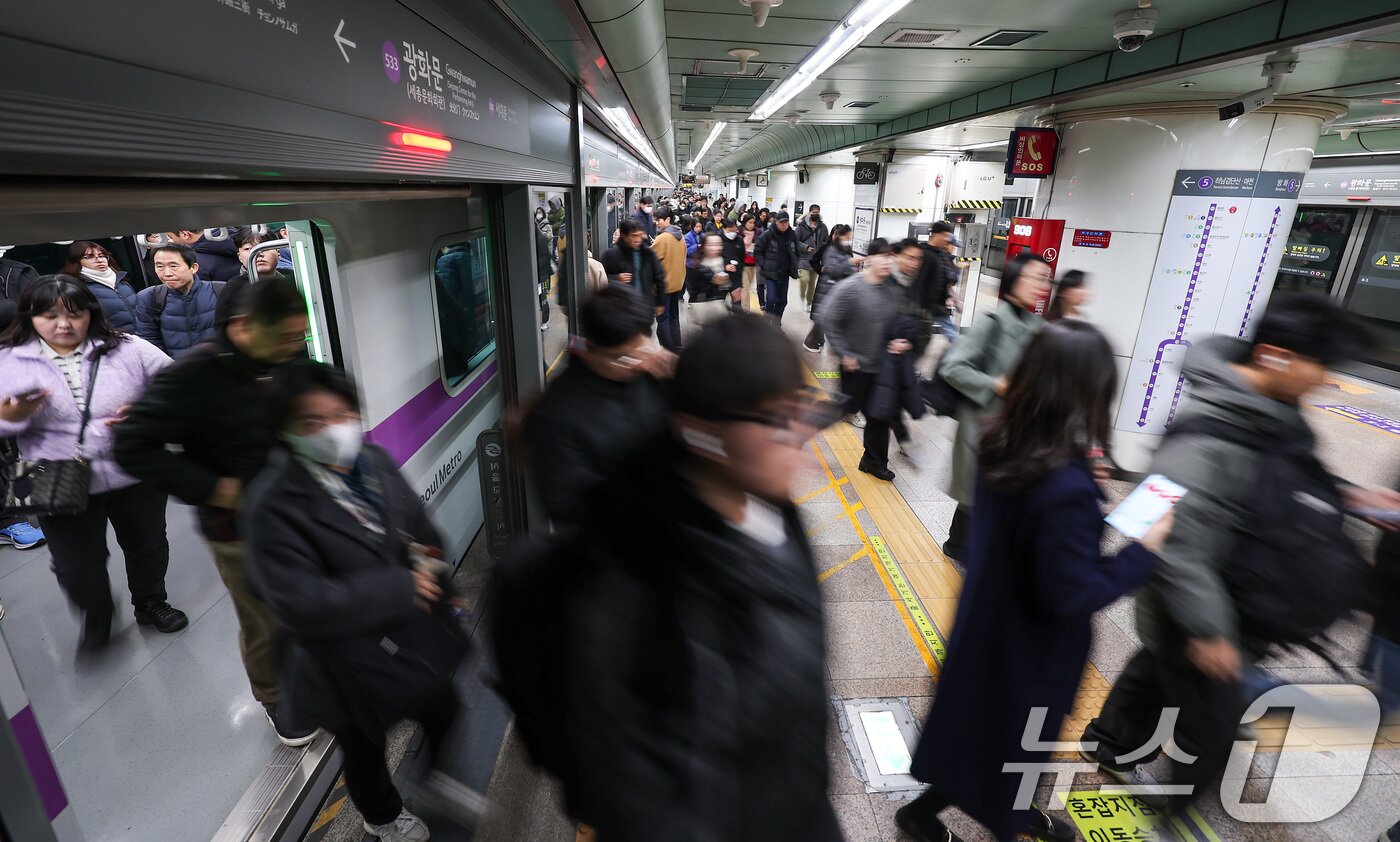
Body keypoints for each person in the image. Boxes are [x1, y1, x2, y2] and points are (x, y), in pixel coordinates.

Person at [493, 314, 842, 842]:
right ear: (702, 434)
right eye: (775, 419)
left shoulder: (777, 516)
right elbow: (645, 797)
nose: (800, 438)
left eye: (802, 410)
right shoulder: (635, 592)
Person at [1079, 293, 1400, 813]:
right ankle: (1174, 812)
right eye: (1319, 364)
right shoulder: (1207, 439)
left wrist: (1349, 496)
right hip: (1209, 607)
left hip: (1229, 590)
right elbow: (1177, 548)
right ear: (1275, 356)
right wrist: (1211, 631)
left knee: (1158, 667)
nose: (1324, 379)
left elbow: (1271, 478)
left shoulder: (1269, 412)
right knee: (1210, 724)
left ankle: (1109, 742)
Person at [898, 321, 1165, 842]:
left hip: (987, 628)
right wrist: (1143, 553)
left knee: (982, 736)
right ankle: (1004, 819)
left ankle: (937, 814)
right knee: (1010, 746)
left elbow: (1033, 541)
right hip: (1030, 650)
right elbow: (1073, 593)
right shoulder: (1062, 483)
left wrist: (1079, 475)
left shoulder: (1003, 442)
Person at [246, 362, 480, 842]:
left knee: (444, 706)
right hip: (340, 662)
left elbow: (419, 524)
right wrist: (401, 588)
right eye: (313, 422)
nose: (334, 430)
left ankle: (435, 778)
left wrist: (446, 583)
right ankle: (383, 817)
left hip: (408, 636)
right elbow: (300, 601)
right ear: (286, 432)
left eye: (342, 413)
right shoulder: (271, 503)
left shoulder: (373, 463)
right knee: (364, 747)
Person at [114, 278, 316, 745]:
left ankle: (314, 671)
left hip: (297, 508)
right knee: (263, 616)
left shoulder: (282, 361)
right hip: (237, 526)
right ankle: (273, 695)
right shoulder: (192, 374)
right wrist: (215, 489)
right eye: (286, 337)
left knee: (308, 596)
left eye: (299, 337)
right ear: (244, 326)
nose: (295, 346)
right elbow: (132, 445)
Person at [0, 277, 186, 651]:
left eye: (75, 313)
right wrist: (12, 416)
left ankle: (150, 603)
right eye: (48, 315)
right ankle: (96, 613)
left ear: (91, 313)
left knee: (147, 544)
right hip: (55, 475)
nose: (63, 324)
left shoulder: (127, 347)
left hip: (133, 468)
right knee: (76, 564)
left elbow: (178, 385)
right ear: (30, 318)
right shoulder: (11, 359)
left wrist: (148, 409)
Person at [522, 286, 672, 526]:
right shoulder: (555, 416)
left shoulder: (650, 375)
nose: (637, 364)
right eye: (623, 357)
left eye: (643, 349)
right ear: (590, 349)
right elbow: (568, 508)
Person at [939, 253, 1052, 560]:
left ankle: (965, 547)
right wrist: (996, 385)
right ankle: (959, 548)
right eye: (1037, 276)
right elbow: (953, 367)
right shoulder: (993, 322)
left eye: (1046, 278)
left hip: (1011, 429)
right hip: (982, 426)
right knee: (976, 496)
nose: (1043, 284)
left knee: (985, 496)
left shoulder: (1037, 326)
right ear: (1015, 278)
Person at [821, 239, 906, 480]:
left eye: (891, 257)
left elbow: (896, 322)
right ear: (869, 259)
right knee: (844, 409)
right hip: (854, 366)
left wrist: (900, 339)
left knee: (879, 416)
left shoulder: (892, 289)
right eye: (883, 256)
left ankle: (873, 462)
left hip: (881, 367)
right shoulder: (851, 287)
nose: (888, 261)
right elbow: (829, 319)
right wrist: (844, 352)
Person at [134, 243, 224, 357]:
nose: (167, 273)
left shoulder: (220, 291)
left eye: (174, 266)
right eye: (160, 266)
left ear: (193, 267)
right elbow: (149, 342)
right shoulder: (149, 298)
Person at [59, 241, 141, 333]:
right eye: (89, 257)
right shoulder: (77, 288)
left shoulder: (122, 281)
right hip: (112, 340)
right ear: (77, 262)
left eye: (102, 256)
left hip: (142, 337)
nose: (99, 260)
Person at [215, 226, 290, 327]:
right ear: (239, 257)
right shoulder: (234, 288)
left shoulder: (292, 280)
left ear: (278, 253)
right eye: (248, 249)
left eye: (264, 247)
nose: (258, 254)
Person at [803, 224, 857, 353]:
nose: (848, 239)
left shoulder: (845, 249)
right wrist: (821, 270)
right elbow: (832, 268)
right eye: (846, 237)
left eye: (850, 237)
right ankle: (811, 342)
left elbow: (847, 268)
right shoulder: (829, 249)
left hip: (837, 286)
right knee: (823, 316)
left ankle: (820, 341)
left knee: (829, 316)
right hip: (828, 286)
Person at [600, 220, 666, 321]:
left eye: (639, 236)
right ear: (624, 236)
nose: (637, 240)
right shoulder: (611, 255)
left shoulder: (648, 254)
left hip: (644, 306)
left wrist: (660, 302)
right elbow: (601, 280)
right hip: (621, 309)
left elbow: (659, 277)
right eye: (633, 236)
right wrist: (615, 278)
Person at [753, 211, 802, 325]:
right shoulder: (768, 234)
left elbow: (796, 248)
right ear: (776, 222)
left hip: (785, 273)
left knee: (783, 301)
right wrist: (764, 264)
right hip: (771, 273)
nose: (784, 225)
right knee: (771, 299)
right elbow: (758, 251)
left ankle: (776, 323)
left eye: (786, 222)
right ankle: (766, 323)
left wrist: (795, 262)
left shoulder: (791, 234)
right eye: (781, 222)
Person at [651, 208, 688, 352]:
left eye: (659, 220)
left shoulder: (663, 238)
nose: (657, 222)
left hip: (664, 286)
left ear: (668, 220)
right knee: (674, 318)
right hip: (677, 284)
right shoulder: (680, 236)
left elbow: (651, 258)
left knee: (662, 319)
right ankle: (677, 346)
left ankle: (668, 350)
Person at [686, 233, 737, 329]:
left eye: (719, 244)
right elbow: (694, 288)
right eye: (711, 244)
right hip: (706, 308)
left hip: (720, 307)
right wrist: (712, 278)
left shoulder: (724, 261)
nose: (716, 247)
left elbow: (728, 284)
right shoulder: (696, 264)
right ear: (704, 247)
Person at [168, 228, 243, 284]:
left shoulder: (196, 261)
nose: (171, 241)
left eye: (171, 237)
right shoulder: (240, 238)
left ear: (185, 234)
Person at [795, 205, 830, 312]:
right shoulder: (801, 226)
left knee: (812, 284)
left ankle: (809, 302)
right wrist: (805, 247)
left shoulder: (823, 227)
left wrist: (823, 259)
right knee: (804, 279)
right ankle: (801, 297)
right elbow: (795, 241)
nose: (815, 214)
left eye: (817, 212)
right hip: (804, 259)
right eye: (813, 212)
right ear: (809, 213)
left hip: (816, 260)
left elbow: (826, 242)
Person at [718, 218, 746, 313]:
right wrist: (724, 266)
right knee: (720, 304)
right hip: (721, 276)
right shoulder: (717, 239)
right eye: (730, 230)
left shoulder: (739, 240)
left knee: (737, 304)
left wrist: (739, 270)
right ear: (724, 229)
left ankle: (737, 324)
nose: (733, 233)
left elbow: (742, 258)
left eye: (735, 230)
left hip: (735, 277)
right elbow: (713, 259)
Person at [740, 215, 761, 307]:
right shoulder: (740, 232)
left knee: (751, 288)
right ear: (745, 222)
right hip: (743, 264)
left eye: (753, 222)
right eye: (749, 222)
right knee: (745, 287)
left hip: (753, 263)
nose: (751, 225)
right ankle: (746, 311)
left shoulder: (758, 232)